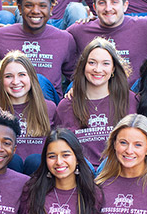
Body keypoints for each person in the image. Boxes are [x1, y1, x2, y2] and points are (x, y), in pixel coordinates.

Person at [0, 0, 77, 103]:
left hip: (46, 105)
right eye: (29, 5)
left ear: (51, 9)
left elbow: (75, 77)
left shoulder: (65, 39)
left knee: (37, 80)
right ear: (20, 8)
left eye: (42, 6)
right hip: (9, 103)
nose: (35, 11)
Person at [55, 38, 136, 171]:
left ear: (113, 68)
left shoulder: (130, 100)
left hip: (118, 172)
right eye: (92, 63)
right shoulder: (66, 106)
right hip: (81, 176)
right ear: (84, 66)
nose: (98, 69)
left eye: (105, 64)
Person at [0, 51, 56, 174]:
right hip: (6, 177)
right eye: (8, 76)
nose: (15, 81)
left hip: (40, 176)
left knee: (35, 160)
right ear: (0, 81)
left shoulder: (49, 108)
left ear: (31, 77)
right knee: (12, 159)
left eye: (21, 75)